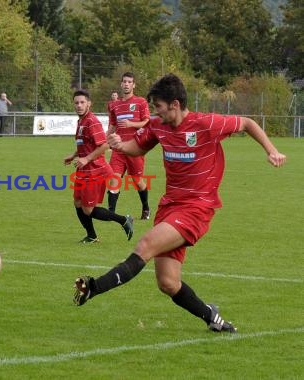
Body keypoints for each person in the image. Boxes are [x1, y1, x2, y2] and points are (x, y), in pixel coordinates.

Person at [73, 74, 286, 332]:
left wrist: (271, 150)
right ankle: (213, 318)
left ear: (174, 104)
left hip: (197, 208)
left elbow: (248, 124)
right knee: (168, 283)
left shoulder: (206, 123)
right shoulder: (158, 125)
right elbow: (137, 148)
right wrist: (118, 146)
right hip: (170, 206)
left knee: (146, 244)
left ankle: (95, 286)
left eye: (158, 106)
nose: (154, 112)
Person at [64, 89, 134, 244]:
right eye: (76, 103)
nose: (79, 105)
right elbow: (86, 144)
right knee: (77, 203)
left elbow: (104, 145)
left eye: (82, 102)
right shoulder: (81, 121)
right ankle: (92, 236)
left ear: (89, 103)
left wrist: (86, 159)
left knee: (88, 209)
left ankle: (124, 220)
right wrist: (74, 155)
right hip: (84, 169)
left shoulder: (92, 121)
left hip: (95, 170)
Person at [107, 72, 151, 220]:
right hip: (118, 148)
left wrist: (131, 124)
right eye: (124, 81)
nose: (126, 84)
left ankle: (145, 207)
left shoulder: (140, 102)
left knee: (138, 181)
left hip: (134, 148)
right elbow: (113, 125)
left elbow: (146, 121)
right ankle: (111, 213)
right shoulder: (115, 105)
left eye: (129, 82)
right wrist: (105, 141)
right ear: (121, 84)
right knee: (114, 178)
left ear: (133, 85)